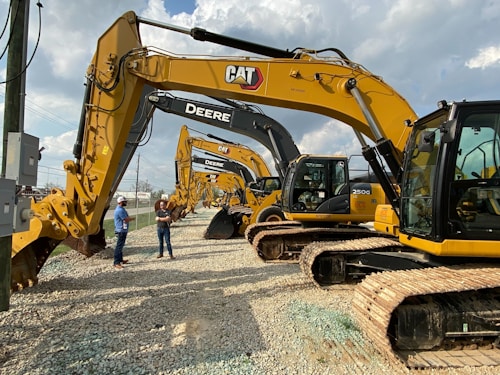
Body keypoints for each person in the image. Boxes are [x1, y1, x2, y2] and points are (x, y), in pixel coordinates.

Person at [113, 196, 135, 269]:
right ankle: (116, 262)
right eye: (124, 202)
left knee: (121, 246)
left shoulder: (122, 209)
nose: (126, 203)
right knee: (119, 247)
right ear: (121, 202)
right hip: (121, 231)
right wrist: (132, 219)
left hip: (123, 230)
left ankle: (120, 260)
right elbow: (125, 219)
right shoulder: (120, 210)